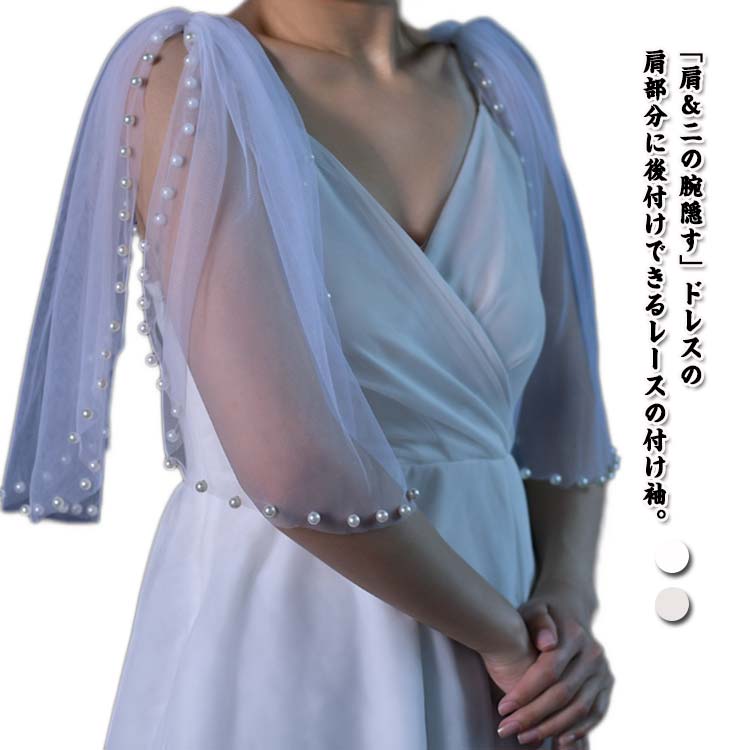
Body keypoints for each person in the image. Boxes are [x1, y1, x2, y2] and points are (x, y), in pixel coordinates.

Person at [0, 2, 619, 748]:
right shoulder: (192, 73)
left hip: (514, 664)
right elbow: (293, 462)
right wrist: (506, 641)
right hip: (295, 629)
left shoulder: (493, 76)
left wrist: (564, 615)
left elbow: (565, 409)